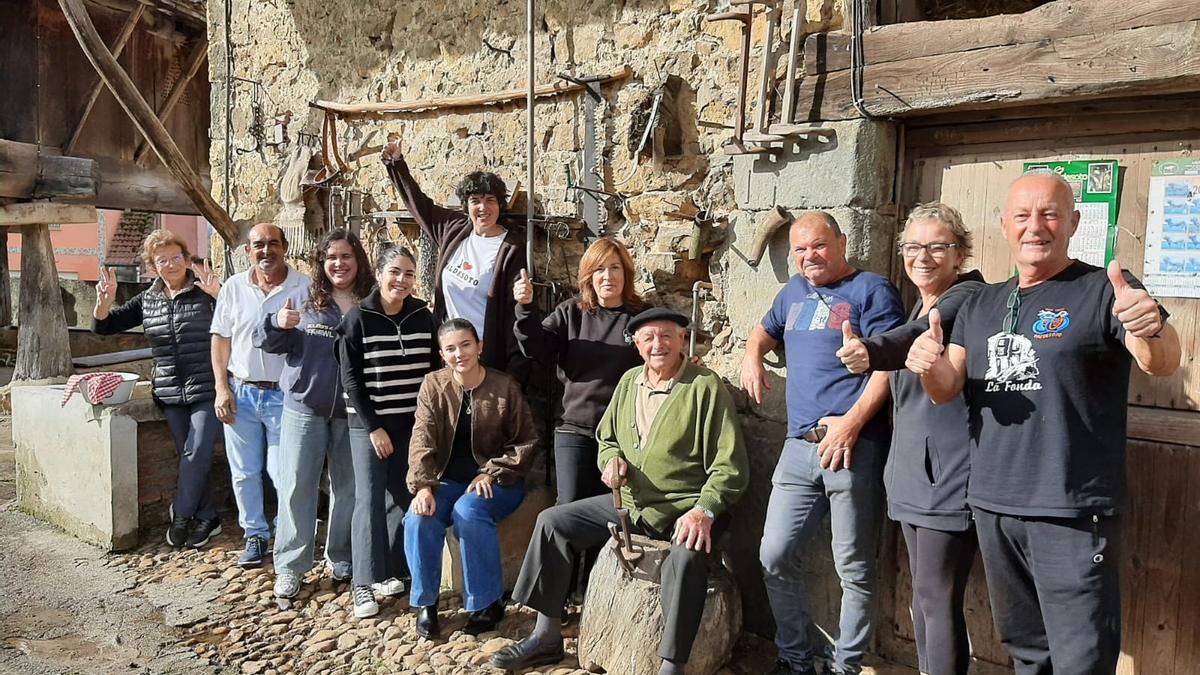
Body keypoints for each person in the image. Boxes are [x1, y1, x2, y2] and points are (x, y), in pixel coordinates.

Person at [907, 173, 1181, 674]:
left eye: (1050, 214)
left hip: (1071, 509)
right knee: (1028, 652)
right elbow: (948, 387)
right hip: (993, 504)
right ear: (1005, 226)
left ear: (1073, 222)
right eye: (1023, 215)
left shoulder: (1103, 290)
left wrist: (1153, 327)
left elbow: (1160, 361)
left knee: (1080, 659)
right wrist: (930, 364)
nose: (1037, 226)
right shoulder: (981, 302)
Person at [492, 308, 748, 675]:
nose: (657, 344)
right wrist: (611, 461)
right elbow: (607, 438)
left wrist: (704, 509)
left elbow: (730, 465)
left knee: (687, 557)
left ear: (681, 340)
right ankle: (546, 635)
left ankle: (671, 665)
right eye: (648, 338)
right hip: (633, 504)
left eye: (666, 336)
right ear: (637, 345)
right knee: (553, 523)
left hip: (685, 507)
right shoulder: (629, 382)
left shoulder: (704, 386)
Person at [739, 211, 905, 675]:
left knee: (853, 566)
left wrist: (851, 424)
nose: (810, 255)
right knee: (774, 554)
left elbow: (889, 366)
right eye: (800, 249)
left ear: (842, 242)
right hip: (798, 447)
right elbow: (762, 330)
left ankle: (845, 666)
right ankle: (795, 658)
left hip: (853, 446)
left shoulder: (872, 290)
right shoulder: (792, 292)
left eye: (819, 245)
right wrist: (753, 357)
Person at [836, 203, 985, 675]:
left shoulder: (968, 297)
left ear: (959, 253)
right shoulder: (923, 302)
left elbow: (913, 337)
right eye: (913, 247)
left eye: (938, 247)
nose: (923, 257)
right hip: (914, 476)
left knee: (937, 600)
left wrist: (870, 349)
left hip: (948, 477)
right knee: (923, 599)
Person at [254, 229, 373, 599]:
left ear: (359, 261)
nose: (339, 264)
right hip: (303, 408)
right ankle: (290, 566)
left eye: (346, 257)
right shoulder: (302, 298)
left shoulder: (370, 302)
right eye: (331, 257)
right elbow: (265, 340)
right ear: (322, 263)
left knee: (348, 490)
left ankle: (340, 556)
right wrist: (277, 323)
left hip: (353, 414)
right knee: (295, 487)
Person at [404, 318, 539, 639]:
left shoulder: (504, 386)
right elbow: (420, 439)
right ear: (442, 354)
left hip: (499, 482)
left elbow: (527, 441)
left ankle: (486, 602)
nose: (459, 353)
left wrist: (491, 472)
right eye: (451, 348)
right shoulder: (432, 386)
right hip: (446, 482)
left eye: (466, 344)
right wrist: (423, 486)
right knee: (419, 518)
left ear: (479, 347)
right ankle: (426, 603)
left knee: (469, 511)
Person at [93, 229, 223, 548]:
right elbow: (106, 327)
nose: (170, 265)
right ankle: (208, 517)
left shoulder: (206, 291)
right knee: (186, 453)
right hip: (168, 390)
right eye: (161, 260)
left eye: (176, 257)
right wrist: (103, 305)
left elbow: (239, 323)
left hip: (207, 386)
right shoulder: (148, 298)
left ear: (187, 258)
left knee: (198, 449)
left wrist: (220, 297)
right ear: (152, 266)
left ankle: (180, 513)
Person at [337, 245, 440, 619]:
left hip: (410, 424)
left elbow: (432, 371)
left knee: (402, 495)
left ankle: (390, 570)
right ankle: (361, 583)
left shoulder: (422, 316)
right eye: (394, 272)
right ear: (379, 274)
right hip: (369, 424)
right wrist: (373, 427)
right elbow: (351, 380)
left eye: (409, 274)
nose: (401, 280)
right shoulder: (357, 319)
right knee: (368, 499)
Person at [381, 139, 530, 382]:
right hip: (449, 353)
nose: (483, 207)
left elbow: (514, 314)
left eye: (490, 200)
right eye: (475, 201)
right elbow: (420, 206)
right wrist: (396, 164)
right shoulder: (455, 230)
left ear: (500, 205)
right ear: (466, 206)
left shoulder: (510, 248)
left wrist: (513, 372)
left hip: (484, 357)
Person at [513, 237, 645, 505]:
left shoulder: (641, 317)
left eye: (615, 268)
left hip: (626, 435)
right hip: (576, 430)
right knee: (569, 510)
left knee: (620, 509)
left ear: (626, 273)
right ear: (589, 276)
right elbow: (537, 347)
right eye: (599, 269)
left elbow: (661, 358)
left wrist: (685, 364)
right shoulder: (571, 313)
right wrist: (526, 308)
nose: (607, 276)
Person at [211, 223, 310, 568]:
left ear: (285, 247)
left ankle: (286, 534)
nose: (265, 251)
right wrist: (221, 387)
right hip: (242, 393)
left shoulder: (304, 287)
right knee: (244, 472)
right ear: (248, 251)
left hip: (286, 397)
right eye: (258, 245)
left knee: (283, 472)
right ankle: (255, 534)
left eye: (272, 244)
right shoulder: (234, 287)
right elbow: (221, 339)